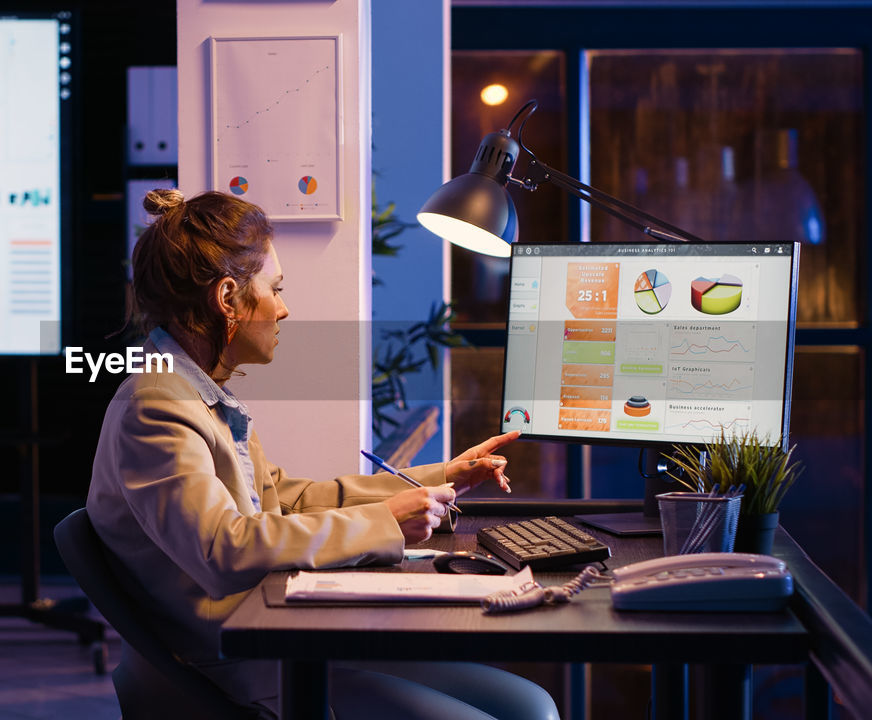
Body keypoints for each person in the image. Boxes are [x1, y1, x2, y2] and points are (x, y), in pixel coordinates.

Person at [87, 188, 558, 719]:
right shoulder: (156, 407)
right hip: (240, 662)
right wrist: (383, 522)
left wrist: (438, 477)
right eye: (275, 288)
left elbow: (290, 499)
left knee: (531, 706)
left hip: (280, 636)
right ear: (227, 298)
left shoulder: (196, 392)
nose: (284, 309)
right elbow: (225, 549)